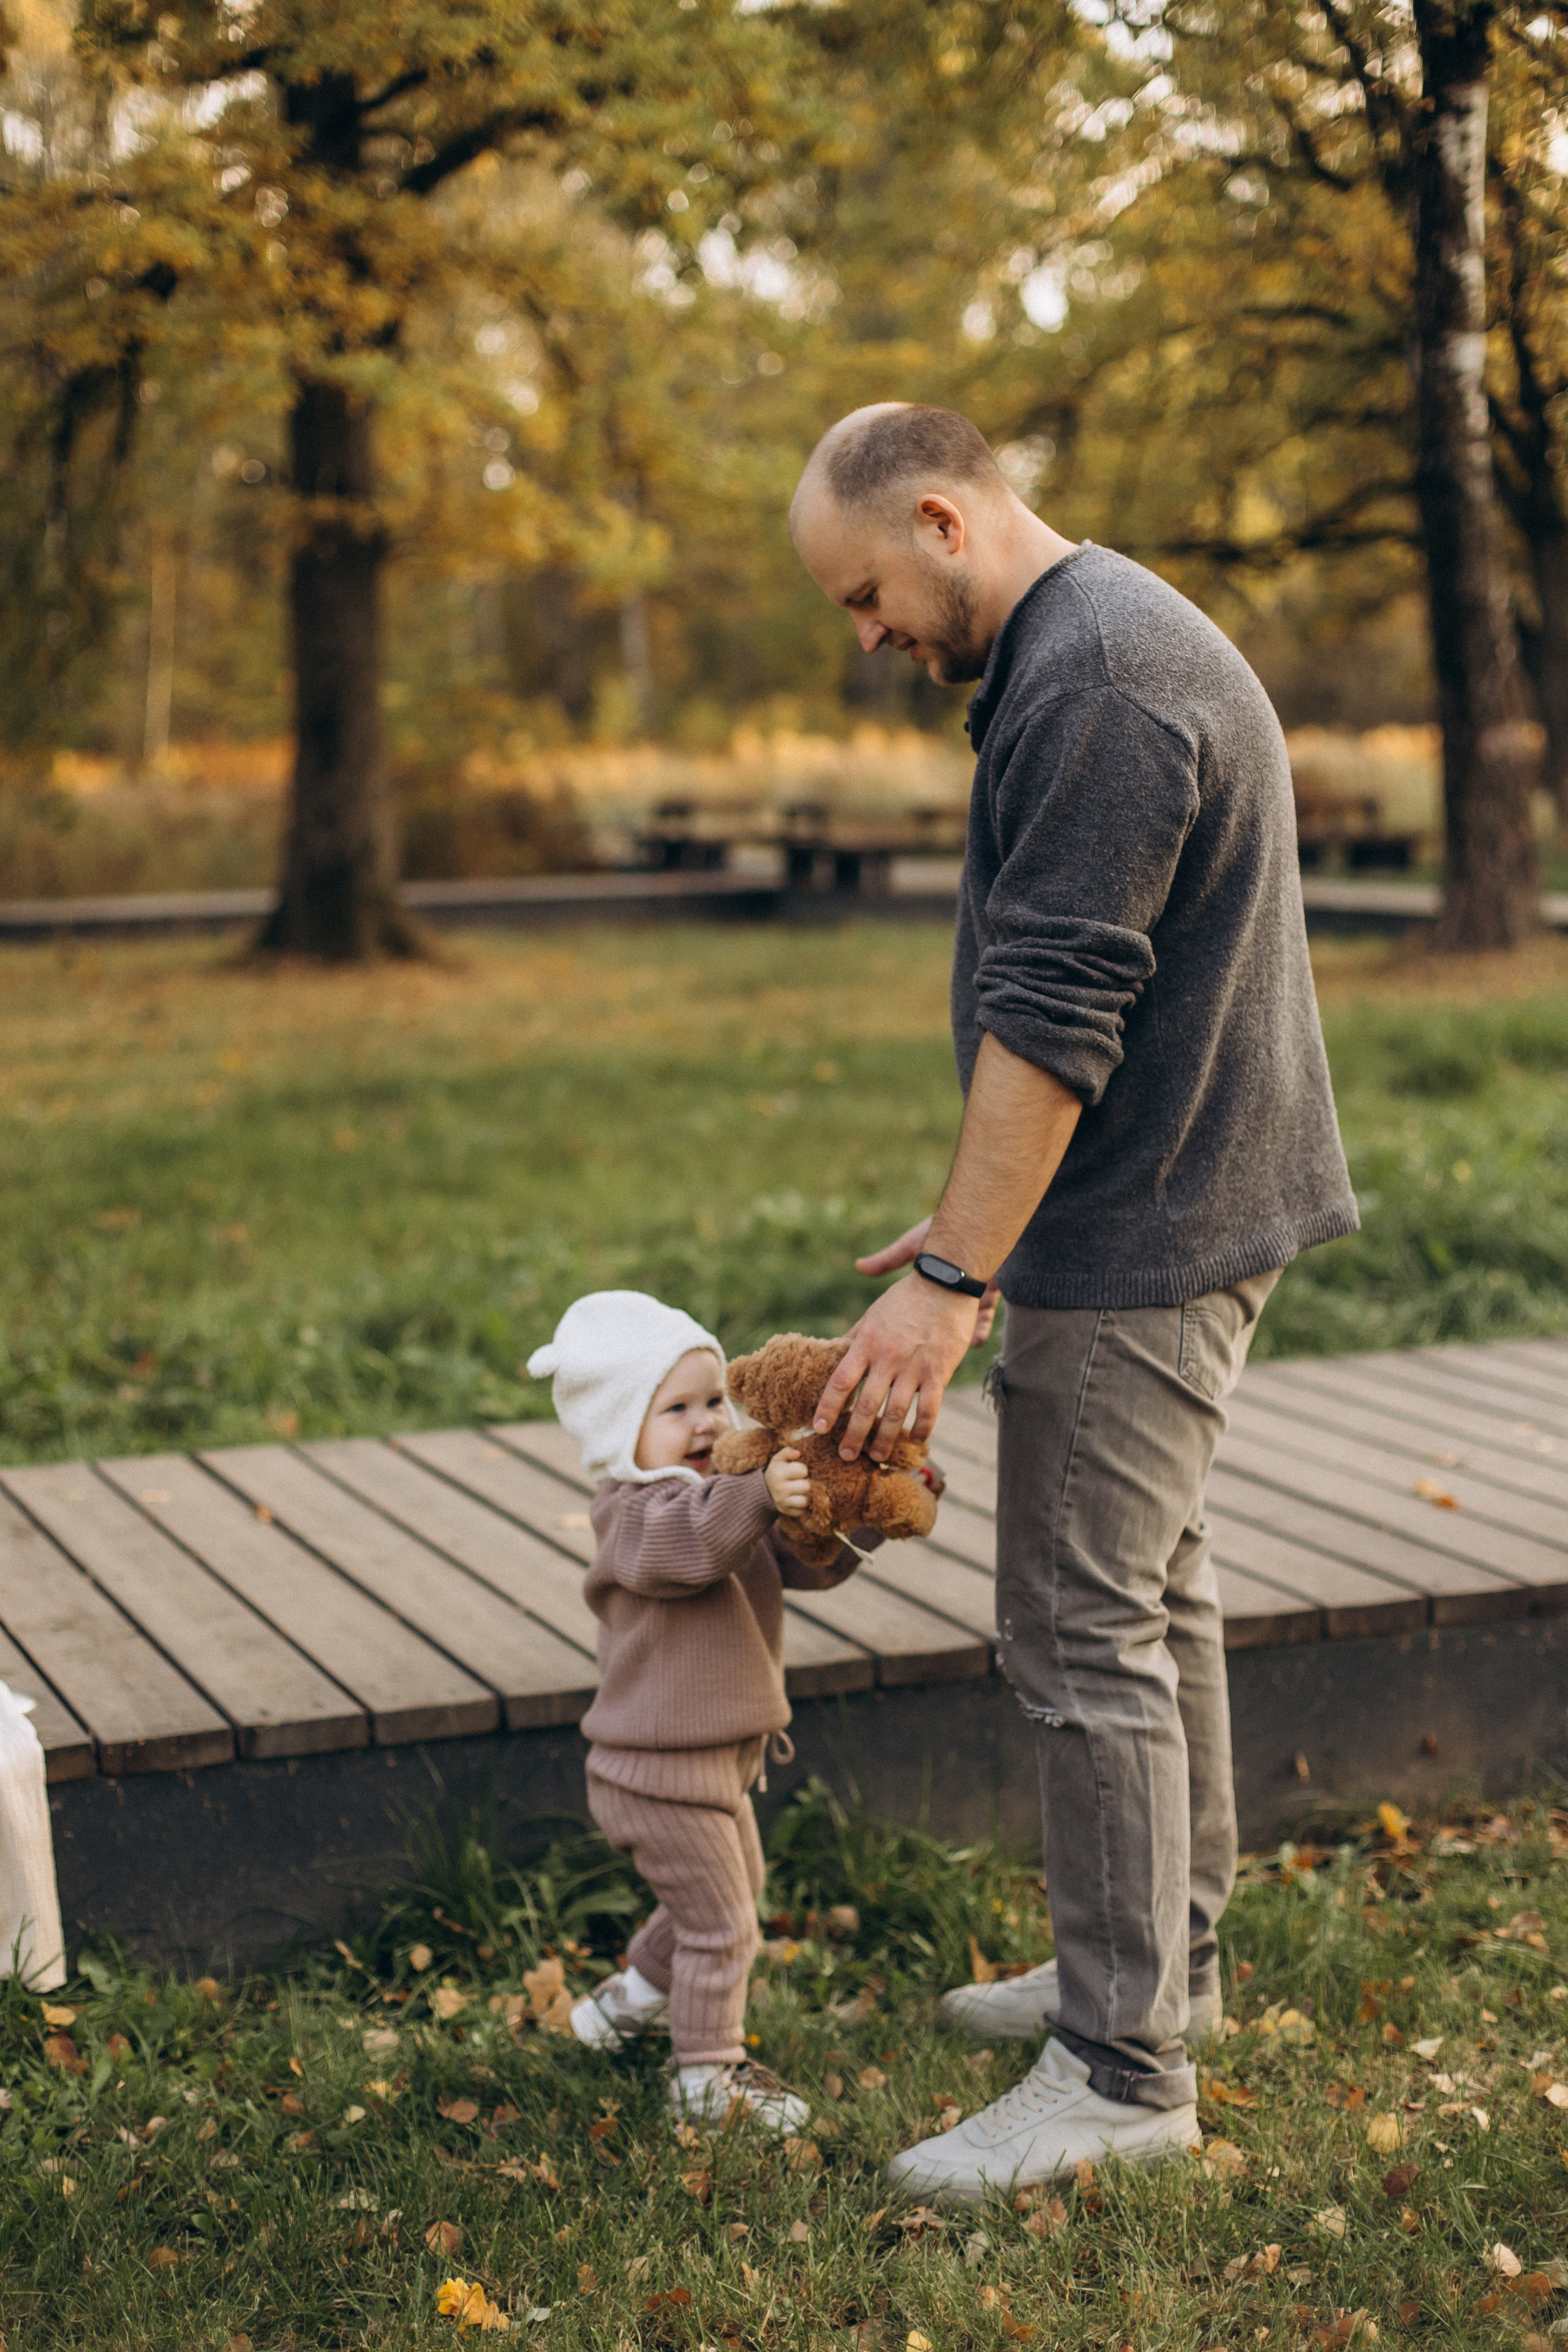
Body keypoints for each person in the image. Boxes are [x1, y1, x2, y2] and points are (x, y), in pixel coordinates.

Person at [788, 404, 1357, 2201]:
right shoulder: (1092, 641)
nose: (865, 634)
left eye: (867, 591)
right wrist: (976, 1225)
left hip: (1153, 1220)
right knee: (1152, 1596)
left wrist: (955, 1278)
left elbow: (1054, 1012)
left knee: (1080, 1628)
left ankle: (1122, 2072)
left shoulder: (1097, 683)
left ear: (944, 521)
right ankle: (1157, 1967)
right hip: (1162, 1191)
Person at [526, 1289, 870, 2137]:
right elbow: (695, 1547)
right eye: (674, 1408)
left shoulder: (723, 1498)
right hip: (657, 1774)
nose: (708, 1422)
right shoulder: (633, 1515)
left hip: (709, 1763)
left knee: (726, 1894)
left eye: (714, 1400)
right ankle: (706, 2076)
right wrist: (759, 1497)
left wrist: (852, 1512)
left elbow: (803, 1566)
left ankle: (630, 2000)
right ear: (618, 1434)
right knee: (723, 1926)